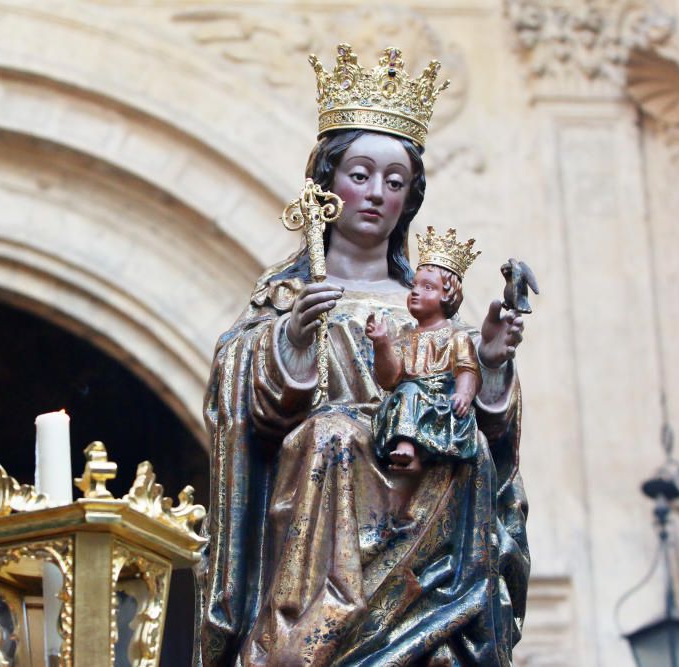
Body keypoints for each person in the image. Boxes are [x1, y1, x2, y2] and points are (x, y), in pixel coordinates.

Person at [194, 44, 529, 667]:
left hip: (428, 501)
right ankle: (310, 631)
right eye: (359, 175)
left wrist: (491, 365)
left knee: (464, 453)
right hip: (327, 500)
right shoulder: (288, 297)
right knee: (331, 434)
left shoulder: (429, 305)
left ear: (411, 200)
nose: (376, 193)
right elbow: (244, 411)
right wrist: (291, 342)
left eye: (395, 182)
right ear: (327, 186)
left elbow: (488, 429)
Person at [366, 228, 482, 480]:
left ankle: (408, 448)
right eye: (414, 286)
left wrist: (463, 394)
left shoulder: (456, 337)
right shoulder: (405, 336)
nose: (416, 292)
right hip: (406, 402)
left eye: (427, 287)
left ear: (447, 296)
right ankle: (409, 455)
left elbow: (467, 370)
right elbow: (389, 378)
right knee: (405, 392)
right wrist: (382, 343)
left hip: (440, 404)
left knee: (409, 393)